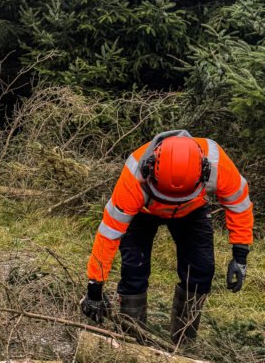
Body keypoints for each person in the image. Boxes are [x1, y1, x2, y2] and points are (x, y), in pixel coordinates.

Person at [80, 130, 253, 344]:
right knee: (134, 270)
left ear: (204, 172)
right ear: (149, 168)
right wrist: (94, 287)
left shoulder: (217, 164)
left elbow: (239, 205)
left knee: (201, 271)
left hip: (192, 210)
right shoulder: (133, 178)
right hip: (143, 212)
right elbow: (109, 233)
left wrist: (240, 252)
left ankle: (184, 347)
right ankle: (132, 342)